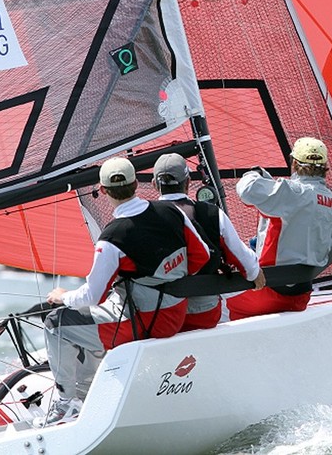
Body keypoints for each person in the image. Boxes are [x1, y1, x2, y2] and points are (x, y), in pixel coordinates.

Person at [40, 156, 210, 425]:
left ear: (104, 190)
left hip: (145, 323)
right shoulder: (172, 213)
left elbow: (91, 296)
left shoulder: (111, 238)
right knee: (91, 315)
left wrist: (62, 296)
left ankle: (66, 403)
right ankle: (84, 395)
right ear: (137, 183)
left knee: (56, 323)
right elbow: (201, 256)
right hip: (176, 314)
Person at [225, 137, 332, 320]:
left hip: (268, 293)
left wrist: (254, 173)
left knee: (211, 301)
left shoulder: (291, 192)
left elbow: (246, 190)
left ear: (294, 163)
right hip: (300, 296)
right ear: (325, 166)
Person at [151, 152, 266, 330]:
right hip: (203, 311)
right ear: (188, 182)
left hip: (159, 313)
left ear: (154, 185)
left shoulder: (142, 217)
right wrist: (255, 274)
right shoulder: (212, 213)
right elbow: (243, 260)